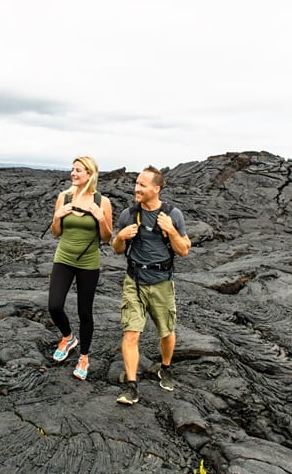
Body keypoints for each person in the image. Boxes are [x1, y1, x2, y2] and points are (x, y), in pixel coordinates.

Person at [112, 165, 191, 404]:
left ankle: (165, 367)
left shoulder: (173, 215)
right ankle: (131, 386)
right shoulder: (128, 214)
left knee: (166, 332)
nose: (137, 188)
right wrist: (120, 237)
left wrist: (171, 231)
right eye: (137, 183)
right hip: (134, 282)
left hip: (162, 284)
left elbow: (184, 250)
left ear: (156, 189)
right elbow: (117, 250)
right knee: (131, 334)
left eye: (142, 185)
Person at [48, 156, 113, 380]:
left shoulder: (102, 202)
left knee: (85, 312)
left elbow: (106, 238)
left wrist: (100, 218)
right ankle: (68, 337)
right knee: (54, 305)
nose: (73, 173)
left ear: (90, 174)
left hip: (88, 262)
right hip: (63, 257)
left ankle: (84, 356)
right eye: (72, 169)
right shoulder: (63, 197)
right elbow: (56, 232)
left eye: (78, 170)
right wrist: (57, 216)